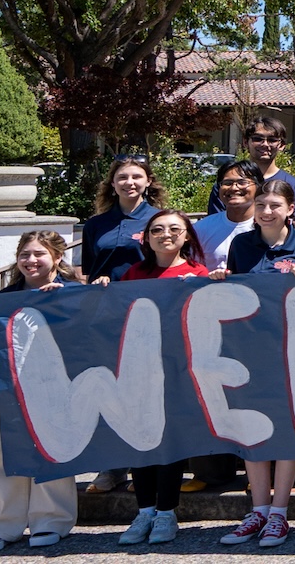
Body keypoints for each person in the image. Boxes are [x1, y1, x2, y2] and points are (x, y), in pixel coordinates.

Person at [212, 179, 295, 548]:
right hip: (249, 351)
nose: (267, 211)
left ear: (291, 209)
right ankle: (257, 510)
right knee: (251, 427)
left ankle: (279, 513)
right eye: (262, 205)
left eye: (275, 205)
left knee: (287, 427)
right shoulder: (242, 244)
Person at [105, 211, 209, 545]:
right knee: (141, 439)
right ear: (146, 238)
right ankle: (144, 511)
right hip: (138, 369)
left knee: (170, 440)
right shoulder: (133, 274)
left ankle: (167, 512)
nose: (166, 235)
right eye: (157, 230)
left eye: (174, 229)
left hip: (178, 371)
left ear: (187, 236)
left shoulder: (198, 273)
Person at [0, 232, 78, 554]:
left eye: (39, 254)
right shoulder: (3, 298)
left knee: (50, 446)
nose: (31, 261)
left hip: (52, 382)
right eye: (25, 255)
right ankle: (4, 522)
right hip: (5, 383)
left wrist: (63, 305)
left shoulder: (73, 293)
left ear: (57, 257)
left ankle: (51, 520)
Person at [83, 154, 162, 283]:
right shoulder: (94, 224)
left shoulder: (160, 220)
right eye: (122, 177)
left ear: (148, 181)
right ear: (113, 183)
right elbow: (90, 271)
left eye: (136, 177)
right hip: (103, 298)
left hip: (145, 296)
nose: (129, 182)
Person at [209, 116, 295, 213]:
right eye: (258, 139)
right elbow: (217, 223)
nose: (265, 144)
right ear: (246, 142)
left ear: (281, 145)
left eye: (272, 140)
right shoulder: (227, 186)